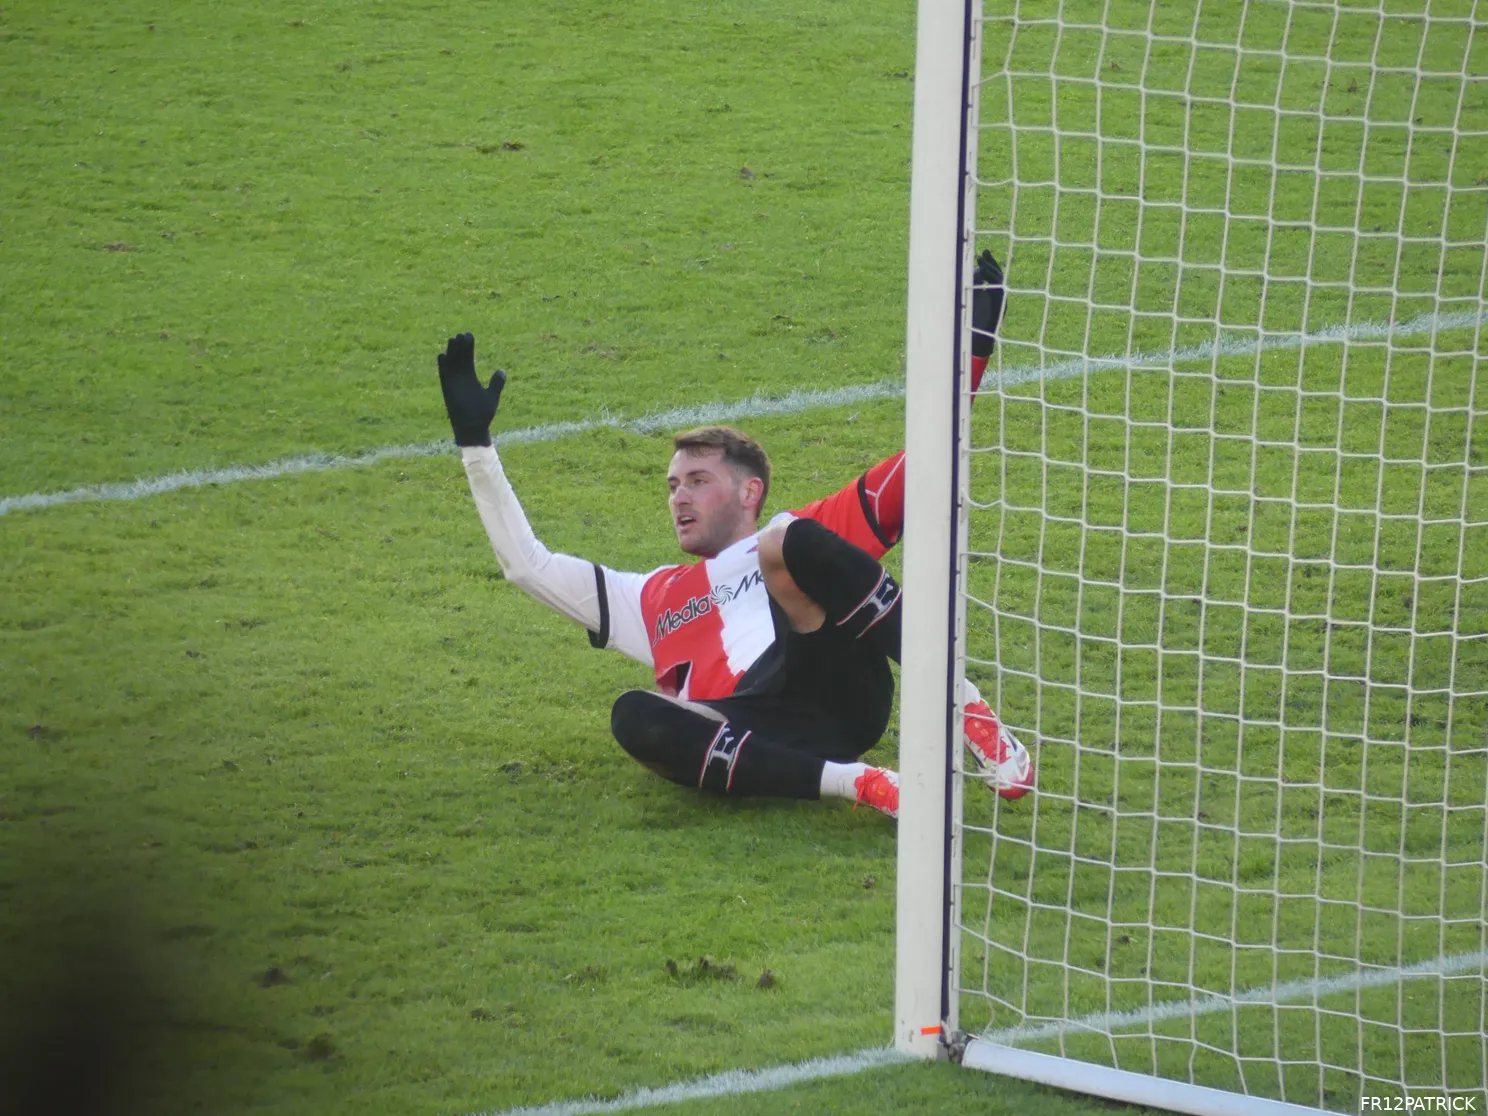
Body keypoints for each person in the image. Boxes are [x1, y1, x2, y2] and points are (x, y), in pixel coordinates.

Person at [435, 253, 1034, 818]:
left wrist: (971, 355)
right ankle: (863, 785)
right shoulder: (649, 598)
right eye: (672, 485)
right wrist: (475, 445)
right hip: (759, 730)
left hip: (843, 692)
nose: (679, 497)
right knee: (633, 715)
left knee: (785, 540)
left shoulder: (793, 533)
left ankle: (959, 699)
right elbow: (526, 566)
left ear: (748, 492)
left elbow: (919, 471)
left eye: (697, 480)